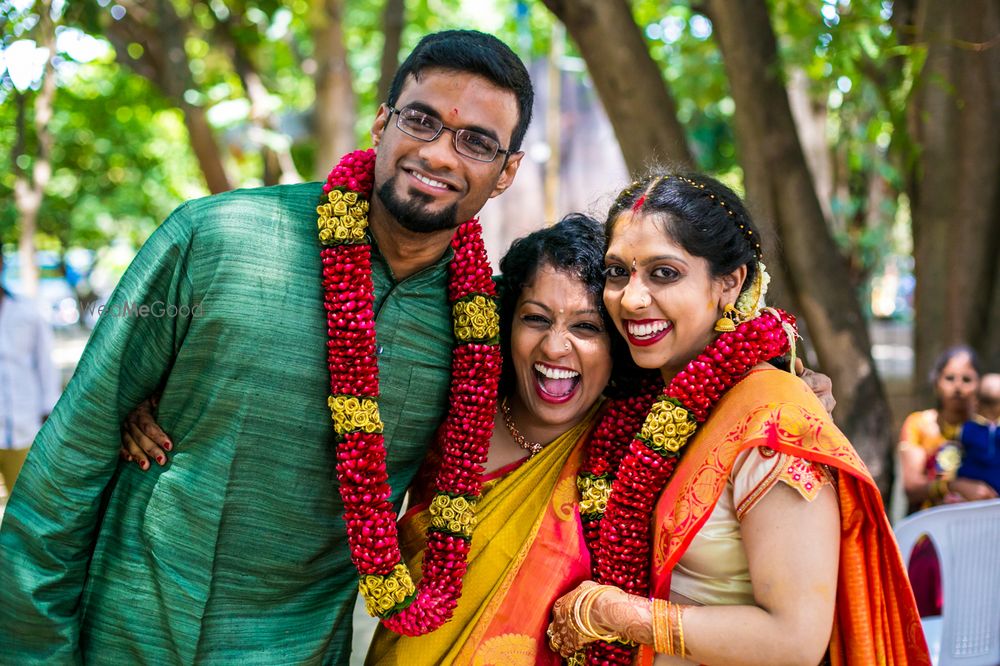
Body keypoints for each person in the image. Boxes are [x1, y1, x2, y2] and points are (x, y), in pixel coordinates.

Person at [0, 30, 531, 664]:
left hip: (301, 649)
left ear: (506, 173)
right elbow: (71, 460)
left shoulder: (485, 333)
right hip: (130, 632)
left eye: (477, 141)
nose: (441, 154)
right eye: (422, 121)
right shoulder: (216, 237)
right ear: (382, 122)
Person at [545, 171, 928, 665]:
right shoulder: (640, 401)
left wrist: (618, 616)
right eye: (618, 272)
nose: (632, 298)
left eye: (664, 273)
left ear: (731, 282)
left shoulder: (776, 423)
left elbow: (794, 640)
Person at [0, 253, 60, 498]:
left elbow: (45, 364)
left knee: (26, 506)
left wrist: (50, 411)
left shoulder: (27, 311)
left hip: (24, 427)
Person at [898, 345, 981, 513]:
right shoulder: (919, 424)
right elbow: (912, 487)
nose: (958, 387)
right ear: (936, 383)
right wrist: (955, 486)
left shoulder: (987, 430)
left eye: (966, 380)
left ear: (979, 385)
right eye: (950, 378)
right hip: (928, 524)